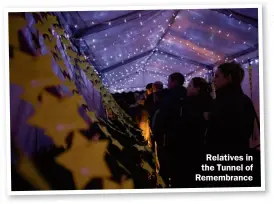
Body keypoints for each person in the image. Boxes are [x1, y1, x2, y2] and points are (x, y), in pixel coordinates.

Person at [171, 77, 213, 188]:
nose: (187, 88)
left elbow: (187, 122)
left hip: (191, 144)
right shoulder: (207, 100)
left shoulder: (193, 102)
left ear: (197, 88)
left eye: (190, 86)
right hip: (199, 145)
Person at [152, 72, 187, 186]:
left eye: (169, 81)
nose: (167, 83)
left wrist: (158, 134)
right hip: (177, 137)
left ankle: (166, 185)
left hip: (168, 137)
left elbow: (164, 117)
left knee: (167, 165)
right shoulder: (184, 94)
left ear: (174, 82)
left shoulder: (170, 97)